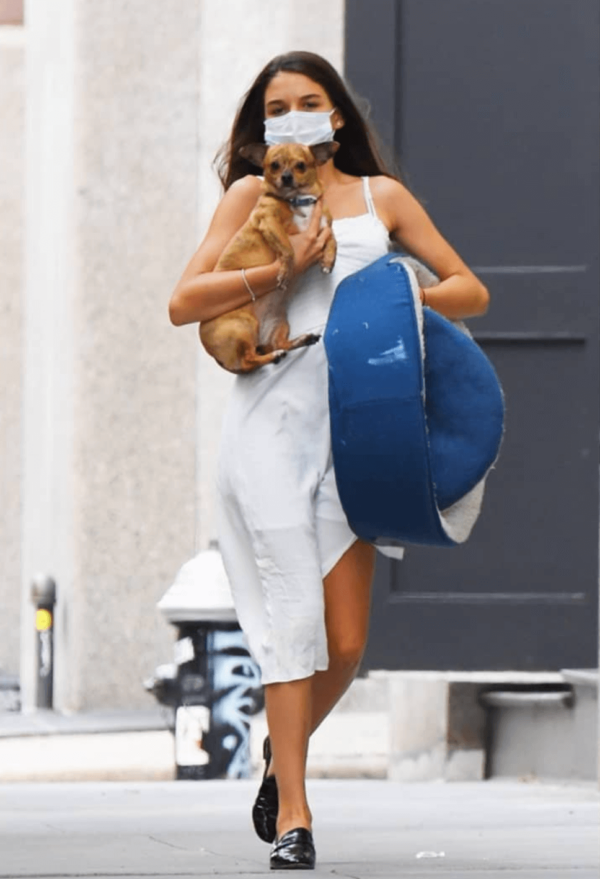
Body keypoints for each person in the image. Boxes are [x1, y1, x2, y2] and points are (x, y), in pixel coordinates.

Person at [169, 51, 489, 870]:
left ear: (336, 117)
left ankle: (284, 758)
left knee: (345, 641)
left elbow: (469, 287)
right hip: (270, 428)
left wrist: (401, 292)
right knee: (294, 621)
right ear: (263, 129)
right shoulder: (252, 196)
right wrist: (283, 270)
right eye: (277, 110)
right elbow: (182, 302)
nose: (294, 119)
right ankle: (297, 821)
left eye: (309, 104)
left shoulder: (380, 198)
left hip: (361, 432)